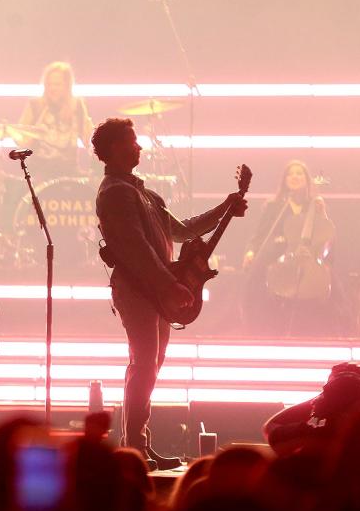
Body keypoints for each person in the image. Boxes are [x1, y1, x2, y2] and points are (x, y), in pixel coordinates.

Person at [92, 118, 248, 470]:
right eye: (133, 141)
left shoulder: (142, 193)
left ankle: (137, 444)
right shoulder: (116, 192)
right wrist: (169, 285)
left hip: (153, 290)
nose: (140, 147)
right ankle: (133, 446)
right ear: (116, 147)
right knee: (144, 364)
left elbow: (182, 230)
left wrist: (225, 207)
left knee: (148, 366)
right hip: (139, 289)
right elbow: (136, 250)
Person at [241, 160, 335, 336]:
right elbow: (260, 234)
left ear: (307, 180)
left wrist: (322, 213)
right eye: (290, 174)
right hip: (278, 252)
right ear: (285, 180)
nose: (295, 177)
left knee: (334, 281)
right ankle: (254, 324)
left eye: (299, 173)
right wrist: (251, 251)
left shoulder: (314, 205)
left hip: (307, 256)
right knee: (254, 275)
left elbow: (325, 235)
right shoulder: (274, 205)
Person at [17, 61, 95, 176]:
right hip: (40, 169)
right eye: (49, 84)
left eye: (57, 84)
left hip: (69, 169)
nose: (52, 88)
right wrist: (28, 138)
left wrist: (87, 125)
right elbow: (20, 136)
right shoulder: (36, 105)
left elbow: (86, 140)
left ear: (67, 85)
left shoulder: (77, 105)